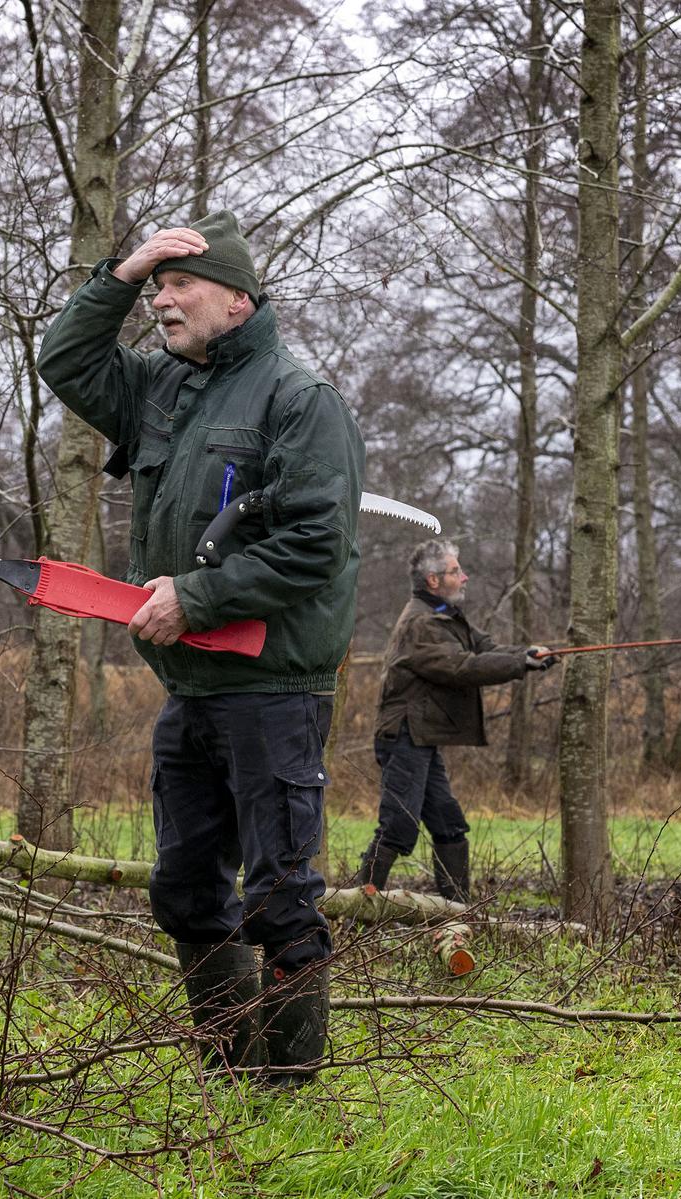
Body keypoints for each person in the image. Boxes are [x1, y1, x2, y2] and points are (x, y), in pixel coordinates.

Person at [35, 211, 364, 1085]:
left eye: (182, 285)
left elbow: (312, 546)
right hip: (192, 689)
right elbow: (63, 358)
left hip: (274, 688)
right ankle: (232, 1075)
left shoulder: (300, 400)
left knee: (282, 897)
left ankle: (288, 1099)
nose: (165, 302)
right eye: (159, 289)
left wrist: (197, 594)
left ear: (238, 298)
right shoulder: (160, 389)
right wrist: (125, 268)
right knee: (185, 888)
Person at [355, 540, 552, 901]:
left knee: (448, 825)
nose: (464, 576)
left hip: (421, 737)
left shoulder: (444, 614)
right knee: (398, 827)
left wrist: (526, 654)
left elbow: (485, 650)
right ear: (433, 580)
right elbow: (461, 666)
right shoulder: (421, 624)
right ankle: (354, 909)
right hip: (404, 735)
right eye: (455, 571)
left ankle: (457, 914)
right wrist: (519, 663)